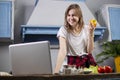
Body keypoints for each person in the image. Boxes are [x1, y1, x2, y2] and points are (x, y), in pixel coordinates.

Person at [54, 4, 97, 74]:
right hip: (73, 64)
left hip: (88, 63)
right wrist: (55, 72)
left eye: (73, 15)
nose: (71, 18)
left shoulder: (87, 28)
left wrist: (91, 33)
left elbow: (89, 51)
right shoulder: (63, 30)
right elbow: (62, 51)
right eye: (68, 15)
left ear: (79, 16)